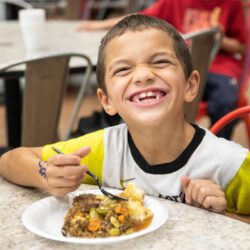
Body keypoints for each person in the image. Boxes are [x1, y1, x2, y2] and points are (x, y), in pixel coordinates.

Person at [0, 15, 249, 215]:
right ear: (107, 101)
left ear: (190, 85)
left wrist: (223, 215)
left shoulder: (230, 165)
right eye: (123, 69)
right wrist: (47, 174)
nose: (142, 75)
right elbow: (10, 159)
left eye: (160, 61)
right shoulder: (104, 150)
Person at [77, 0, 247, 140]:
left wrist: (220, 39)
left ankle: (216, 148)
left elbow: (242, 47)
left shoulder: (231, 3)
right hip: (177, 67)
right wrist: (99, 24)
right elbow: (138, 20)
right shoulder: (174, 2)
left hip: (220, 68)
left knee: (225, 103)